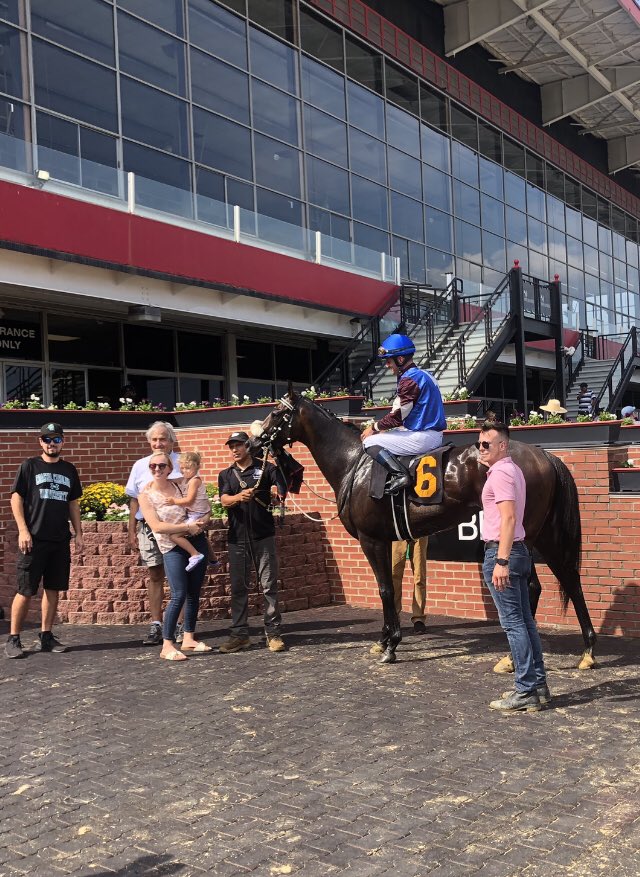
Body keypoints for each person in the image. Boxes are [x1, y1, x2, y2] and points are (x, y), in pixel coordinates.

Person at [477, 420, 550, 712]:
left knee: (514, 625)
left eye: (486, 444)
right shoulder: (512, 470)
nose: (481, 449)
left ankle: (525, 690)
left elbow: (507, 519)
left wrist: (501, 561)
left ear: (503, 446)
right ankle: (538, 686)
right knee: (525, 622)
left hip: (504, 552)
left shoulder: (501, 475)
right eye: (478, 444)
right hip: (516, 551)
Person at [5, 423, 83, 659]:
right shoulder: (29, 466)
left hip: (59, 540)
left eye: (56, 439)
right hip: (33, 540)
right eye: (47, 439)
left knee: (53, 589)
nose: (52, 443)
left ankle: (46, 637)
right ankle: (14, 639)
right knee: (25, 590)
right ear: (40, 442)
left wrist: (78, 533)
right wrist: (23, 530)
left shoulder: (69, 469)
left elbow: (73, 504)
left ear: (62, 442)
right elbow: (16, 498)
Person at [218, 431, 288, 654]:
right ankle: (240, 635)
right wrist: (239, 497)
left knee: (269, 586)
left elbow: (281, 485)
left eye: (238, 445)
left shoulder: (266, 467)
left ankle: (273, 633)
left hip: (263, 536)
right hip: (237, 538)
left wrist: (278, 493)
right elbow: (224, 500)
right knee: (239, 588)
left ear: (248, 446)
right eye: (231, 447)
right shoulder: (226, 474)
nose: (234, 450)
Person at [138, 453, 211, 661]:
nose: (157, 469)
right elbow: (157, 526)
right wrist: (186, 527)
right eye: (153, 465)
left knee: (194, 593)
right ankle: (167, 644)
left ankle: (188, 638)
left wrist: (205, 518)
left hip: (196, 540)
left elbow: (202, 506)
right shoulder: (146, 495)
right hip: (172, 547)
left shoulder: (181, 484)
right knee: (178, 593)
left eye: (162, 465)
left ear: (170, 468)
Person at [360, 334, 446, 493]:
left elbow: (400, 416)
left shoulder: (408, 380)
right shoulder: (425, 374)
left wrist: (374, 427)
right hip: (431, 434)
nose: (387, 365)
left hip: (422, 437)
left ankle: (400, 475)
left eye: (388, 361)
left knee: (369, 442)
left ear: (400, 360)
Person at [125, 421, 182, 646]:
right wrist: (131, 530)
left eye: (163, 439)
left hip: (176, 528)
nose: (158, 443)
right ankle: (156, 625)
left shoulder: (182, 462)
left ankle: (179, 626)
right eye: (154, 439)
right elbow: (133, 500)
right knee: (155, 576)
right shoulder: (140, 465)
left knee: (179, 578)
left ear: (171, 440)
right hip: (148, 529)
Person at [370, 537, 428, 654]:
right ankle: (393, 617)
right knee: (394, 576)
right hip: (398, 533)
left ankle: (419, 618)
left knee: (419, 576)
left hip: (418, 531)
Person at [164, 451, 211, 571]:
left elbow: (189, 501)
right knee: (200, 535)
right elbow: (175, 480)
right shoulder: (186, 479)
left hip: (197, 515)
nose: (184, 471)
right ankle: (213, 559)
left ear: (197, 466)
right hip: (195, 513)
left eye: (188, 468)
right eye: (182, 468)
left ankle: (195, 554)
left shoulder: (194, 481)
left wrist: (174, 501)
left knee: (174, 536)